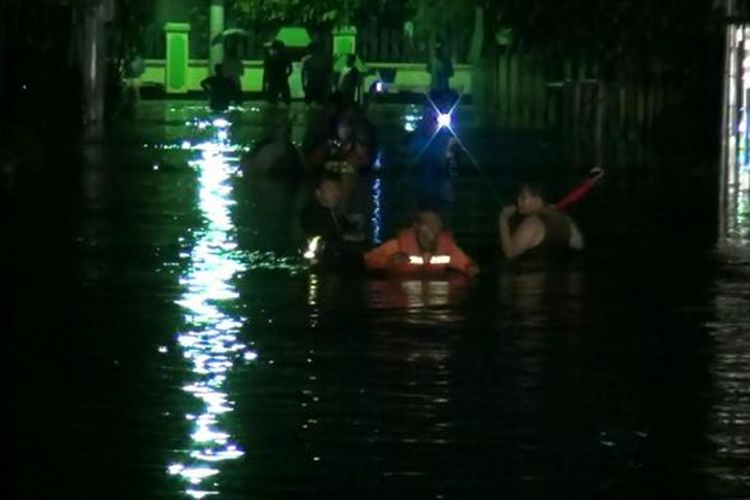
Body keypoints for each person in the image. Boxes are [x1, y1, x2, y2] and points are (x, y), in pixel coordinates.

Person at [364, 210, 479, 276]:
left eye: (436, 225)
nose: (432, 229)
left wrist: (470, 268)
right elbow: (369, 260)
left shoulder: (447, 248)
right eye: (427, 224)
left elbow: (465, 263)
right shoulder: (397, 246)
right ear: (416, 227)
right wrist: (389, 261)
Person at [498, 183, 585, 259]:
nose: (518, 200)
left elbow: (510, 253)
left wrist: (503, 220)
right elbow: (579, 245)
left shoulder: (532, 223)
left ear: (537, 199)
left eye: (523, 196)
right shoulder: (565, 219)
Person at [299, 174, 365, 268]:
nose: (336, 193)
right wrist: (346, 238)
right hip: (321, 264)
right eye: (330, 189)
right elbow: (325, 237)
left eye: (338, 189)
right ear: (318, 193)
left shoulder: (331, 213)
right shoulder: (310, 214)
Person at [301, 41, 331, 106]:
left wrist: (303, 84)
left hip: (310, 81)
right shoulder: (324, 59)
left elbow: (303, 73)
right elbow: (327, 71)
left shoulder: (305, 59)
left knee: (308, 101)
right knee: (320, 101)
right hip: (321, 81)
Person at [263, 40, 292, 105]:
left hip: (272, 79)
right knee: (286, 96)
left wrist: (266, 80)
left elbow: (266, 70)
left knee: (272, 97)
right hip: (282, 78)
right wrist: (287, 75)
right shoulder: (285, 56)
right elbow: (290, 68)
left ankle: (273, 109)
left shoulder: (269, 58)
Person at [427, 42, 454, 108]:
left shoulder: (446, 61)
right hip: (436, 88)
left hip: (443, 89)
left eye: (439, 49)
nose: (438, 51)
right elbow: (428, 70)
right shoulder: (432, 60)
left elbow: (451, 73)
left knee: (442, 107)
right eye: (437, 50)